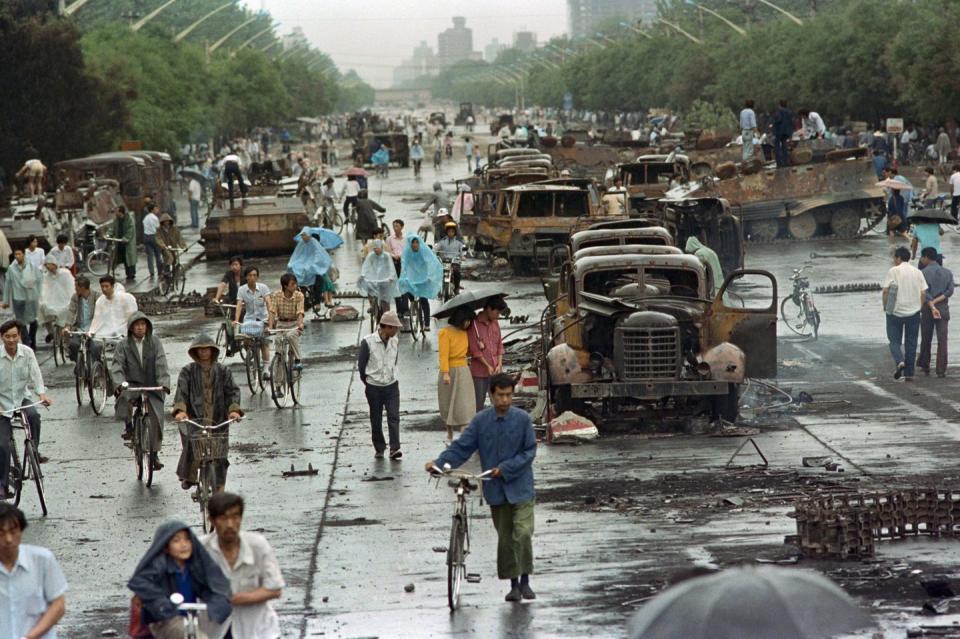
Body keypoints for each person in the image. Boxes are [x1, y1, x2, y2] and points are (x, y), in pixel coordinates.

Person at [424, 373, 537, 603]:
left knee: (522, 532)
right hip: (495, 489)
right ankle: (513, 584)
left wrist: (505, 468)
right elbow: (461, 448)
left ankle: (525, 579)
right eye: (500, 395)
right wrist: (438, 464)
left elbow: (529, 452)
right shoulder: (480, 421)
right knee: (505, 537)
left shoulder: (523, 420)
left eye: (508, 395)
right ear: (491, 395)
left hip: (521, 487)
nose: (505, 400)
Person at [128, 520, 232, 639]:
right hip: (164, 621)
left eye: (187, 539)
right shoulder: (159, 565)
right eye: (176, 540)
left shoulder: (194, 567)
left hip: (190, 617)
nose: (183, 545)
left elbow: (211, 586)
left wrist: (218, 602)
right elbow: (142, 583)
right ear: (166, 546)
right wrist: (161, 603)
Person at [202, 493, 285, 639]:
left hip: (258, 631)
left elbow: (275, 589)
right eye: (223, 518)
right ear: (212, 520)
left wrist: (238, 599)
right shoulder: (201, 548)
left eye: (235, 517)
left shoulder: (258, 545)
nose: (230, 524)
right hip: (215, 631)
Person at [172, 335, 243, 490]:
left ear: (213, 351)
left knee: (220, 457)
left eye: (207, 349)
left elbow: (232, 392)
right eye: (200, 349)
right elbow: (181, 392)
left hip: (218, 419)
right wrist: (181, 411)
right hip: (195, 418)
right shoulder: (187, 371)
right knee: (193, 445)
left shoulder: (223, 371)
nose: (204, 352)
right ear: (195, 352)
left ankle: (219, 490)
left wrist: (234, 410)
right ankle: (189, 476)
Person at [0, 320, 52, 496]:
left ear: (19, 336)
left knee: (34, 416)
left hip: (22, 398)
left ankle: (34, 451)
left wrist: (42, 394)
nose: (12, 340)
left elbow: (36, 375)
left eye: (15, 336)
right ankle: (3, 485)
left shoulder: (27, 353)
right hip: (2, 403)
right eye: (7, 337)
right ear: (2, 338)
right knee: (2, 445)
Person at [0, 503, 67, 637]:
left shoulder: (42, 560)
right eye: (1, 533)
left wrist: (30, 637)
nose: (8, 539)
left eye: (13, 532)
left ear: (21, 531)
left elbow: (58, 605)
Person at [111, 312, 169, 468]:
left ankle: (154, 455)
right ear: (131, 328)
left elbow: (161, 362)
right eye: (136, 325)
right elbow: (117, 365)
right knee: (124, 398)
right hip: (132, 384)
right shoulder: (123, 345)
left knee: (156, 416)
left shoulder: (155, 342)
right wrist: (119, 383)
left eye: (143, 324)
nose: (140, 328)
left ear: (147, 326)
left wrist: (163, 383)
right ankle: (129, 426)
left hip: (151, 384)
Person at [357, 310, 403, 460]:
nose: (396, 331)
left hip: (391, 385)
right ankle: (379, 448)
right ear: (387, 327)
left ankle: (395, 448)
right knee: (375, 419)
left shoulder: (395, 341)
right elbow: (361, 366)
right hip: (374, 387)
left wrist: (391, 375)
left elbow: (394, 361)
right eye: (394, 328)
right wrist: (369, 382)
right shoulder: (368, 342)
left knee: (394, 416)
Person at [882, 247, 927, 381]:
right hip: (913, 313)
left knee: (894, 341)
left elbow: (885, 291)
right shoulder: (918, 272)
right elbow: (923, 292)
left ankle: (900, 361)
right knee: (911, 343)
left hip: (895, 313)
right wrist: (919, 306)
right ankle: (909, 373)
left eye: (895, 258)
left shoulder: (893, 271)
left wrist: (885, 307)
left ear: (898, 258)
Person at [438, 306, 475, 442]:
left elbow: (467, 351)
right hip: (450, 370)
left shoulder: (466, 333)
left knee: (465, 403)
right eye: (467, 320)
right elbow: (443, 355)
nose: (469, 324)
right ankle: (449, 432)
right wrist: (445, 373)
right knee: (448, 402)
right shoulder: (445, 333)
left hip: (464, 369)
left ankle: (465, 435)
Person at [916, 246, 953, 378]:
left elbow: (923, 292)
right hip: (943, 307)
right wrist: (938, 301)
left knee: (926, 337)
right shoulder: (947, 272)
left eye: (922, 257)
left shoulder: (922, 273)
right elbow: (950, 291)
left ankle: (925, 364)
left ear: (926, 257)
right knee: (942, 339)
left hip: (927, 308)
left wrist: (931, 303)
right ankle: (941, 369)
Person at [468, 296, 507, 412]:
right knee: (478, 403)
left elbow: (499, 344)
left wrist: (499, 364)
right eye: (497, 312)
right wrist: (487, 366)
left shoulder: (495, 323)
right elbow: (475, 351)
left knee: (499, 402)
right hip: (479, 372)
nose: (498, 315)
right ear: (489, 309)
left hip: (496, 370)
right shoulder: (474, 325)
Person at [398, 235, 443, 332]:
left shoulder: (424, 253)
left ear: (419, 243)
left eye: (416, 242)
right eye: (413, 243)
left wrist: (429, 277)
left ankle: (426, 324)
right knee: (408, 293)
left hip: (423, 280)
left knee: (423, 300)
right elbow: (404, 268)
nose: (414, 244)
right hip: (412, 279)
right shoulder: (407, 254)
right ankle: (414, 307)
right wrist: (403, 278)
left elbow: (431, 264)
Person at [0, 248, 41, 348]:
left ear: (23, 254)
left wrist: (40, 295)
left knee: (33, 321)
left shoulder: (31, 266)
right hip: (18, 298)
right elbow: (7, 285)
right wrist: (6, 301)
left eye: (19, 254)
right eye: (15, 254)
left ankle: (32, 338)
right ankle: (28, 344)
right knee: (20, 322)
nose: (17, 256)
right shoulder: (11, 268)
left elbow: (39, 280)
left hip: (31, 297)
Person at [287, 229, 338, 310]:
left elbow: (318, 256)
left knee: (319, 280)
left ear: (309, 235)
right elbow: (296, 256)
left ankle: (317, 302)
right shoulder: (301, 244)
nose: (303, 237)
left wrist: (313, 265)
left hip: (313, 268)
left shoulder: (314, 243)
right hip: (302, 267)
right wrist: (291, 264)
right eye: (302, 235)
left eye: (304, 235)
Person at [235, 266, 271, 374]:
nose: (252, 277)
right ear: (246, 277)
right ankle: (251, 354)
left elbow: (269, 302)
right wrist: (236, 320)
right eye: (250, 275)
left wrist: (270, 317)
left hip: (263, 318)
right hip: (249, 319)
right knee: (245, 340)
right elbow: (239, 305)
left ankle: (266, 369)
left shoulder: (263, 288)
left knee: (264, 343)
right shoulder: (242, 290)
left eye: (255, 275)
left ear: (258, 277)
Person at [267, 273, 305, 371]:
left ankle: (298, 359)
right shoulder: (276, 295)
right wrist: (270, 326)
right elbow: (272, 311)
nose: (295, 286)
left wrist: (300, 324)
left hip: (294, 324)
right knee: (279, 346)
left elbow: (300, 312)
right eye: (292, 284)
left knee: (290, 336)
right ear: (285, 286)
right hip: (281, 324)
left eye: (295, 284)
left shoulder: (299, 295)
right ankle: (278, 381)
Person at [358, 239, 402, 317]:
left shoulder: (386, 256)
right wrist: (363, 274)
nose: (376, 250)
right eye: (374, 248)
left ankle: (386, 316)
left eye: (377, 248)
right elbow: (366, 266)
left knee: (385, 301)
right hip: (374, 278)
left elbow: (391, 267)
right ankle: (373, 306)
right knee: (370, 290)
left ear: (381, 248)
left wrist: (391, 277)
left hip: (385, 279)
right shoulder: (371, 255)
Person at [64, 275, 101, 364]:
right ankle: (79, 365)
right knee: (73, 345)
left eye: (76, 287)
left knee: (95, 348)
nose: (75, 289)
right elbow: (71, 311)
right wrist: (67, 326)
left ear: (82, 288)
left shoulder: (97, 296)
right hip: (80, 328)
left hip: (94, 329)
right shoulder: (75, 297)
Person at [89, 275, 139, 339]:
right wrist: (92, 331)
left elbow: (132, 316)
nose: (104, 289)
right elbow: (96, 318)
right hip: (107, 332)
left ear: (112, 286)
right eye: (102, 287)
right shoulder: (100, 301)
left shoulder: (125, 298)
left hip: (124, 331)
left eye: (106, 286)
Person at [39, 256, 74, 344]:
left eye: (49, 264)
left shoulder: (65, 273)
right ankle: (50, 332)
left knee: (65, 311)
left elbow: (71, 288)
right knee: (41, 307)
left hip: (65, 299)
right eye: (46, 265)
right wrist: (43, 300)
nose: (47, 266)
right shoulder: (46, 276)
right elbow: (44, 289)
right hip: (52, 299)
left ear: (54, 264)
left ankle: (63, 336)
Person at [434, 222, 465, 294]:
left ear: (455, 233)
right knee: (438, 273)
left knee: (457, 273)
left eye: (452, 232)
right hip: (444, 262)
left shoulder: (459, 242)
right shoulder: (442, 242)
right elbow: (435, 249)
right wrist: (433, 254)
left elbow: (463, 250)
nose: (450, 233)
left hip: (454, 262)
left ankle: (456, 288)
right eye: (449, 231)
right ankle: (438, 289)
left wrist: (462, 256)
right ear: (446, 232)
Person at [156, 212, 186, 276]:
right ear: (162, 222)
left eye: (168, 221)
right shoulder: (159, 230)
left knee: (175, 259)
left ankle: (174, 273)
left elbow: (179, 238)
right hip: (165, 248)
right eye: (165, 221)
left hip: (173, 247)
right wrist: (163, 245)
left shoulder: (174, 229)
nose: (167, 223)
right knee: (170, 257)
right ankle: (166, 271)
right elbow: (158, 239)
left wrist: (184, 246)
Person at [113, 205, 137, 281]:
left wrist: (126, 237)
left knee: (129, 259)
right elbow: (112, 228)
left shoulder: (129, 219)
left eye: (116, 211)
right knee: (119, 257)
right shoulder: (116, 220)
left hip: (127, 243)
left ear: (120, 212)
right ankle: (112, 272)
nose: (115, 213)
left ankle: (131, 273)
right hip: (119, 242)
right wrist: (108, 234)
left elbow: (131, 229)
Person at [141, 203, 161, 278]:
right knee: (158, 254)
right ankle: (159, 271)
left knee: (149, 256)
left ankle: (151, 272)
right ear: (152, 210)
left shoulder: (145, 218)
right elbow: (158, 228)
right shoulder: (155, 218)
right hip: (154, 236)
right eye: (156, 208)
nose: (157, 210)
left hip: (146, 236)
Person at [772, 100, 794, 167]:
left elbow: (778, 119)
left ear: (780, 104)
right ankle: (786, 162)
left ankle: (779, 163)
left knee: (777, 147)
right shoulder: (789, 112)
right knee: (784, 146)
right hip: (787, 131)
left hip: (779, 131)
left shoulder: (779, 111)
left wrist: (773, 124)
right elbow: (791, 122)